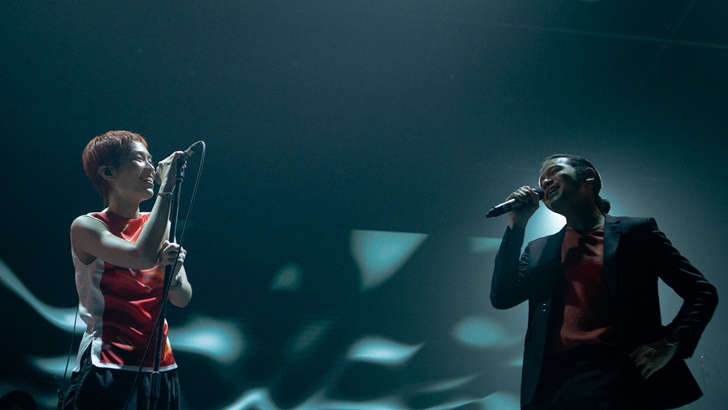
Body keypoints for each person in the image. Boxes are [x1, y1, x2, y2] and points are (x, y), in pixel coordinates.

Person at [490, 154, 718, 409]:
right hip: (552, 384)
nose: (544, 182)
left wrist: (671, 342)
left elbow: (702, 292)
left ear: (589, 175)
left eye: (553, 171)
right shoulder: (539, 249)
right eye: (541, 179)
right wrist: (517, 225)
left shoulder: (636, 232)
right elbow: (502, 297)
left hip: (619, 375)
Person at [61, 130, 193, 409]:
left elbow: (181, 298)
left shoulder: (159, 224)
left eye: (151, 159)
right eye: (138, 159)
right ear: (108, 172)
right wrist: (167, 189)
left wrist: (175, 275)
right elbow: (140, 256)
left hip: (160, 366)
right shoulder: (87, 226)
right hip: (108, 362)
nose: (151, 168)